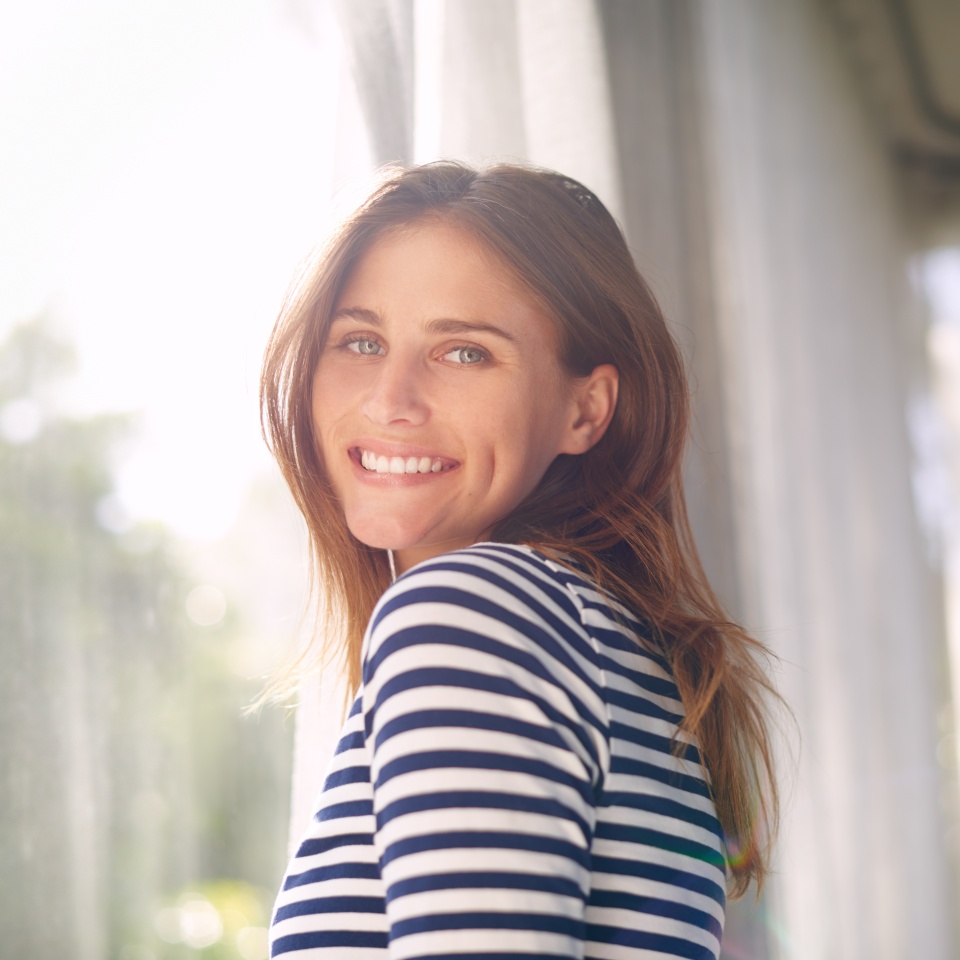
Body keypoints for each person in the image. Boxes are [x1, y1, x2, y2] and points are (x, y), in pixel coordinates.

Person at [260, 162, 780, 959]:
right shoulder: (608, 641)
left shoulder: (470, 614)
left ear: (586, 409)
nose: (391, 398)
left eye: (464, 353)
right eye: (361, 341)